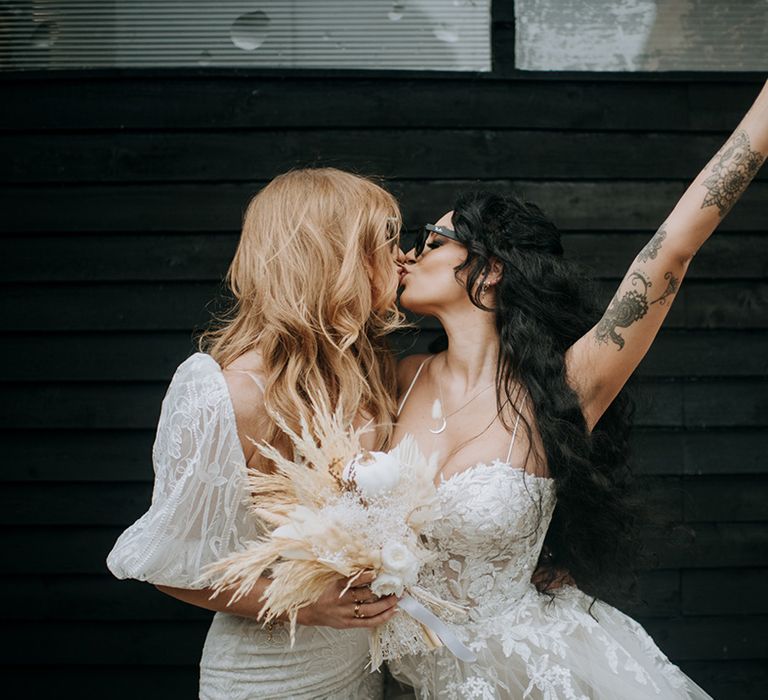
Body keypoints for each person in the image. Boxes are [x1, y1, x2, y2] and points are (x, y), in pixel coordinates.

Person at [388, 82, 767, 698]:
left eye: (433, 241)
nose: (408, 255)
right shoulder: (395, 381)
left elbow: (670, 252)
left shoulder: (568, 383)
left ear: (489, 269)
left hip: (535, 675)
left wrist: (762, 122)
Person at [107, 168, 405, 699]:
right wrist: (303, 603)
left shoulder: (371, 375)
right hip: (271, 676)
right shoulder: (227, 393)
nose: (401, 259)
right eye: (384, 243)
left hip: (361, 669)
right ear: (332, 257)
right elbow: (172, 570)